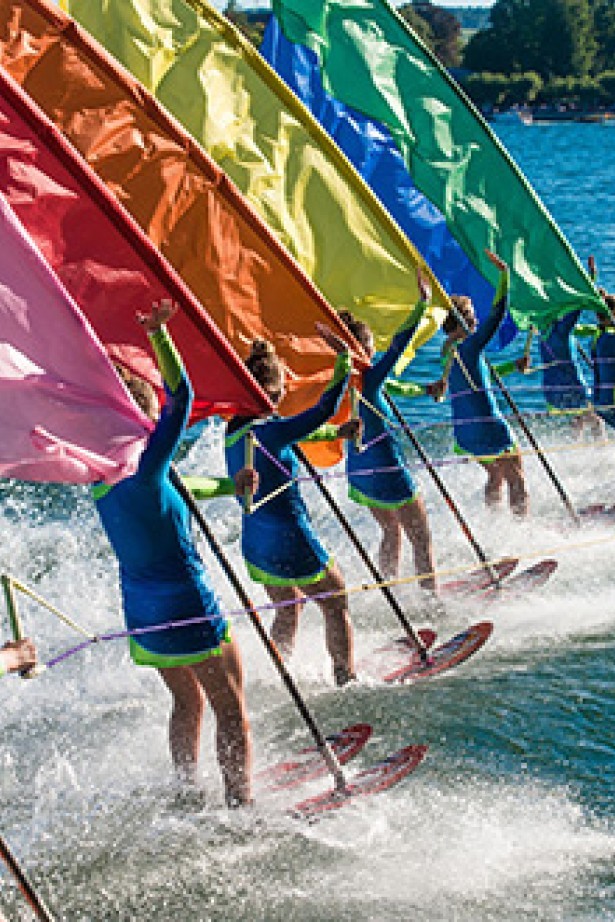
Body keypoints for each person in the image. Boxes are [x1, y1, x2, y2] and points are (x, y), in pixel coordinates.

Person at [94, 299, 256, 806]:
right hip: (186, 603)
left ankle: (187, 793)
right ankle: (242, 805)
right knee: (230, 708)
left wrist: (231, 484)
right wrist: (159, 336)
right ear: (142, 421)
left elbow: (175, 487)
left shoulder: (98, 474)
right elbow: (181, 398)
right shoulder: (147, 462)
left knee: (186, 700)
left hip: (141, 614)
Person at [225, 327, 356, 685]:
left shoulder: (234, 431)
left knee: (288, 609)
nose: (287, 391)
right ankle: (346, 677)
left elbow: (299, 433)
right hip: (289, 539)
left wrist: (336, 435)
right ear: (272, 390)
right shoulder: (274, 430)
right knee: (335, 600)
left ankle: (277, 676)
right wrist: (343, 358)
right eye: (284, 385)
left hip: (255, 544)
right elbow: (325, 408)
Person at [336, 268, 438, 592]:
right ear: (362, 350)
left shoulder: (337, 383)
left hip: (359, 473)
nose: (374, 352)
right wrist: (422, 305)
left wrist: (424, 390)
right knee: (420, 536)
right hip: (387, 470)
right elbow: (399, 345)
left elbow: (394, 385)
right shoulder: (369, 376)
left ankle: (387, 589)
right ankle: (431, 600)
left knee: (390, 531)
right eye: (370, 346)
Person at [429, 250, 529, 517]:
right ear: (459, 320)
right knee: (517, 478)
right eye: (471, 315)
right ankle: (523, 530)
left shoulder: (447, 352)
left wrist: (511, 367)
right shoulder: (470, 346)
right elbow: (496, 317)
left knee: (495, 476)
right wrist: (504, 278)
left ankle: (492, 525)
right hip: (489, 427)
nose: (476, 320)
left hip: (465, 434)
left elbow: (478, 375)